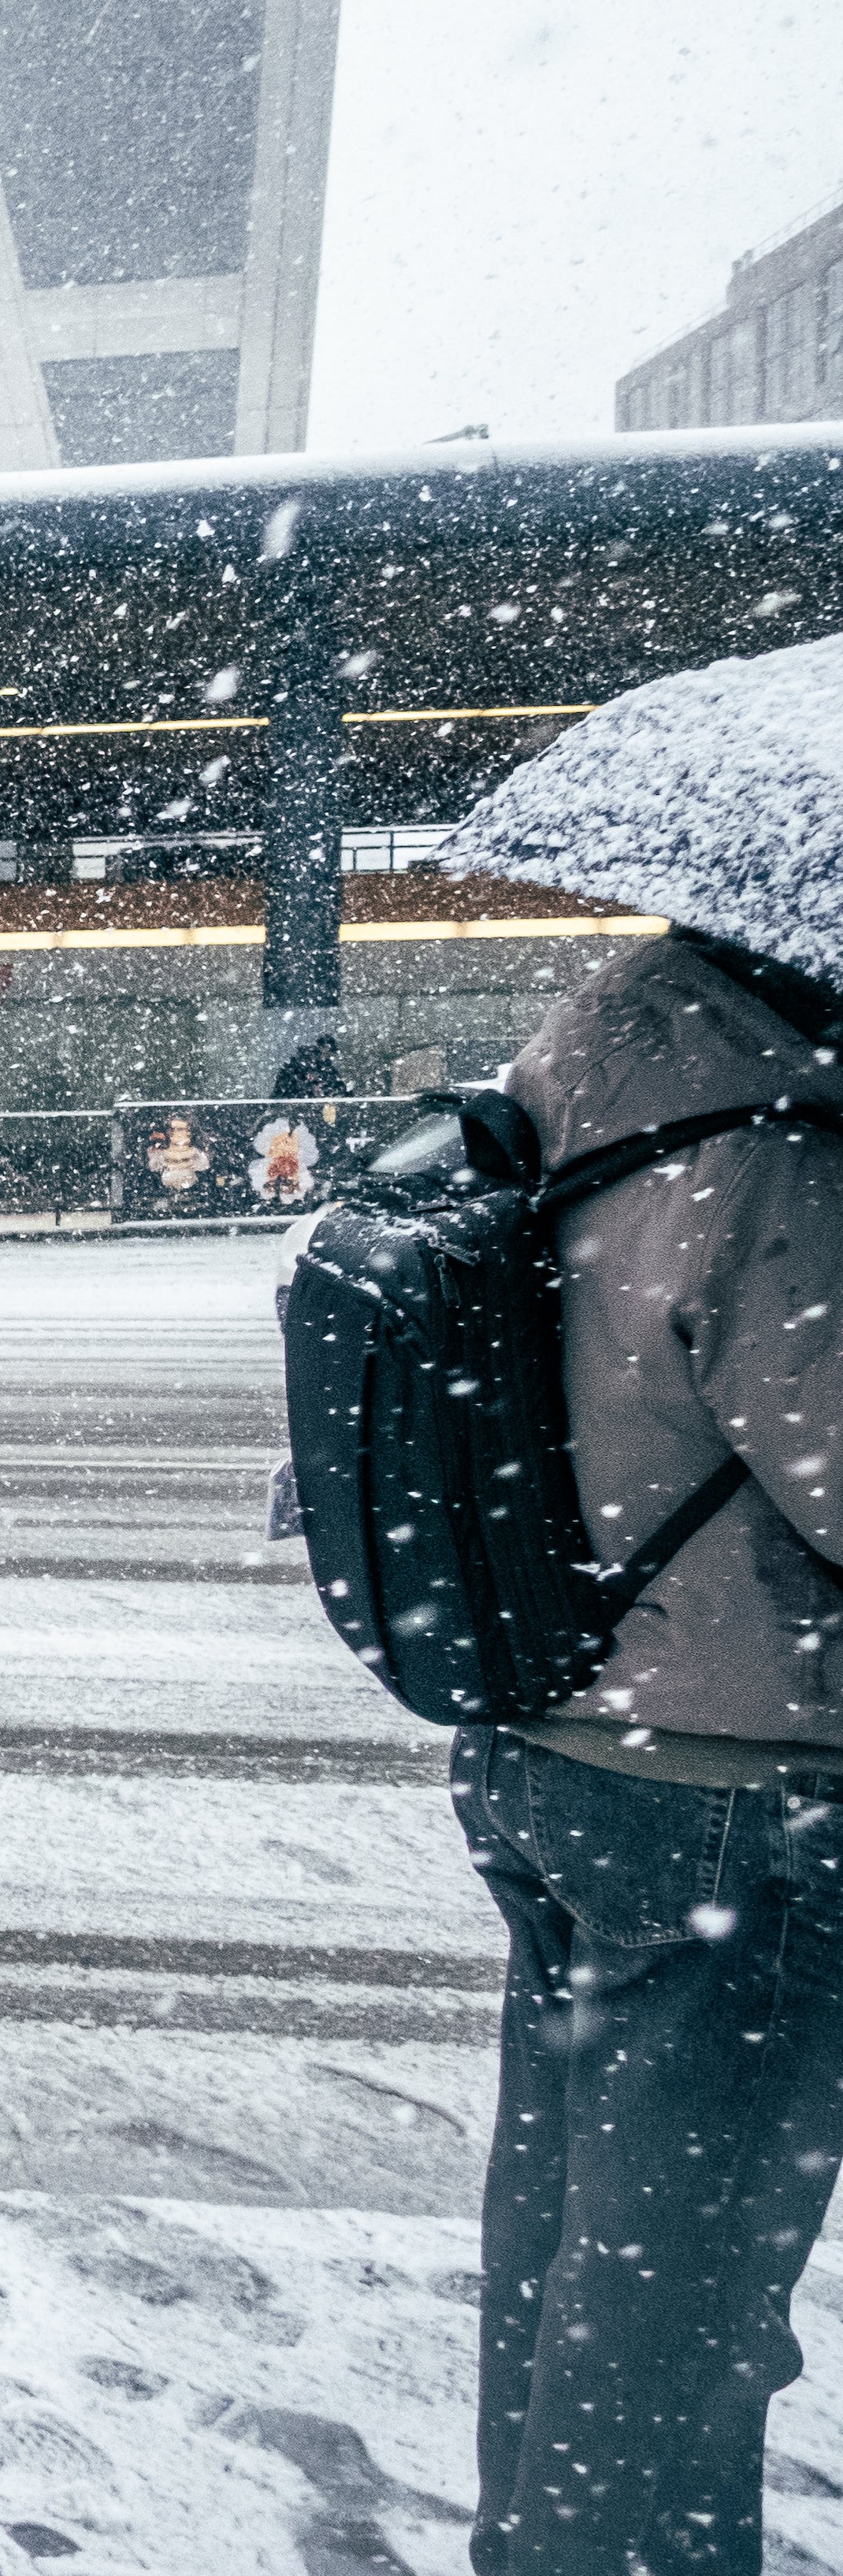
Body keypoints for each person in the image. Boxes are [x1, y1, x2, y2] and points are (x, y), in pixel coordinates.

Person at [448, 926, 843, 2574]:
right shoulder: (779, 1162)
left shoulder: (584, 1076)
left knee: (567, 2249)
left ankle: (536, 2543)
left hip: (554, 1733)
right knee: (672, 2318)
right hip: (723, 1770)